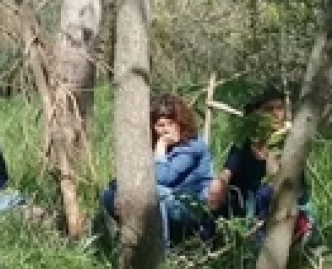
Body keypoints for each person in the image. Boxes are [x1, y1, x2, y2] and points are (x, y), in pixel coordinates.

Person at [101, 94, 214, 249]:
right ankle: (129, 246)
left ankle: (161, 255)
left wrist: (161, 146)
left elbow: (162, 178)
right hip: (163, 203)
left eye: (171, 123)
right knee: (109, 195)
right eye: (160, 125)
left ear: (181, 123)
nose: (166, 130)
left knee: (154, 192)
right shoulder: (149, 147)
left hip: (192, 209)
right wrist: (120, 188)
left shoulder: (193, 146)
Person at [206, 86, 313, 242]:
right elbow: (228, 170)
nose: (276, 114)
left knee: (265, 194)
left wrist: (272, 147)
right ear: (256, 114)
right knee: (218, 199)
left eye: (279, 108)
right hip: (246, 204)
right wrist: (219, 183)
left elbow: (277, 179)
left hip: (280, 202)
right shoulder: (244, 143)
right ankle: (208, 244)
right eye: (269, 109)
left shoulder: (288, 145)